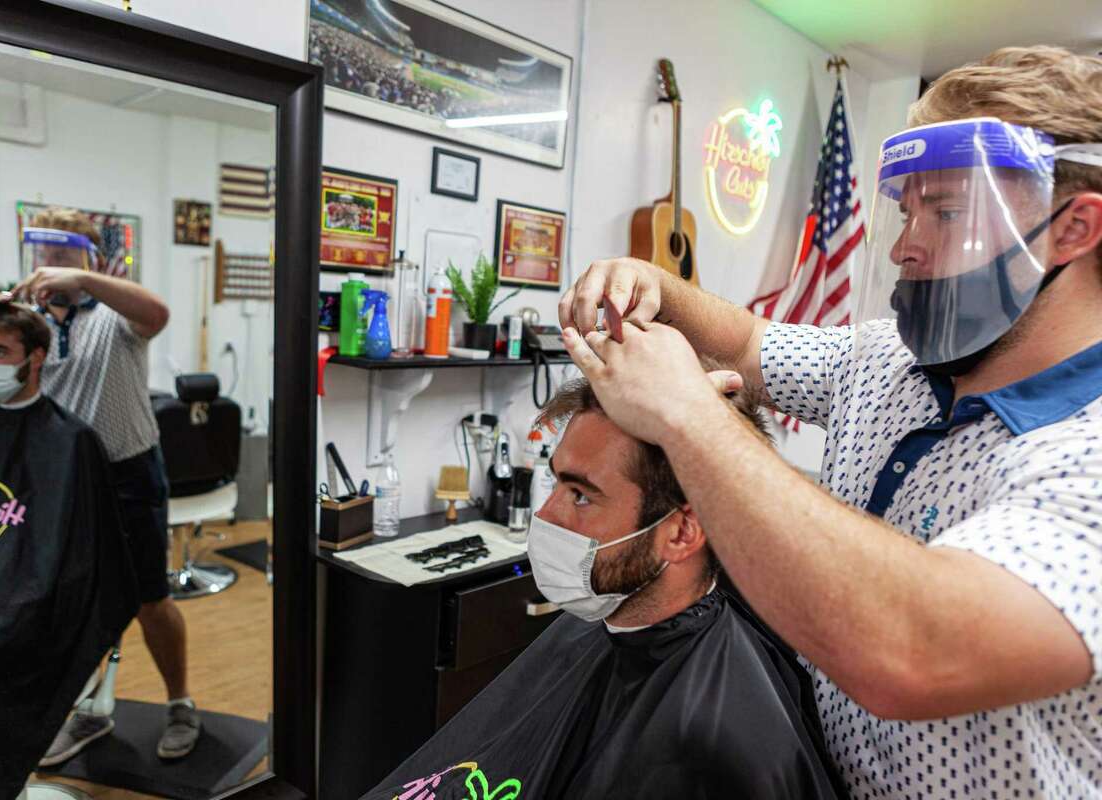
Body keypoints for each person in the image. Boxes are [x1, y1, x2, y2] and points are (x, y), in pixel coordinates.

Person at [558, 46, 1102, 799]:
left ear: (1073, 228)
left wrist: (685, 413)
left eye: (945, 212)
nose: (908, 244)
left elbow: (914, 649)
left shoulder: (1089, 455)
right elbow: (747, 343)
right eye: (906, 211)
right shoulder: (887, 361)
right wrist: (658, 284)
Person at [362, 369, 847, 800]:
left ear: (681, 532)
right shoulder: (603, 627)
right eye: (555, 485)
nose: (547, 515)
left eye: (581, 495)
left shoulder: (717, 742)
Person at [0, 206, 198, 763]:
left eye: (66, 254)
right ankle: (89, 710)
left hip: (128, 472)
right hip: (58, 480)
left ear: (90, 258)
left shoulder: (114, 317)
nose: (52, 264)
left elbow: (158, 312)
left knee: (149, 598)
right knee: (71, 602)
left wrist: (85, 282)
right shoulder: (25, 323)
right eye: (46, 253)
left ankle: (180, 702)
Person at [0, 302, 139, 799]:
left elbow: (86, 564)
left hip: (28, 607)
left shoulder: (72, 444)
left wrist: (6, 606)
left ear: (35, 358)